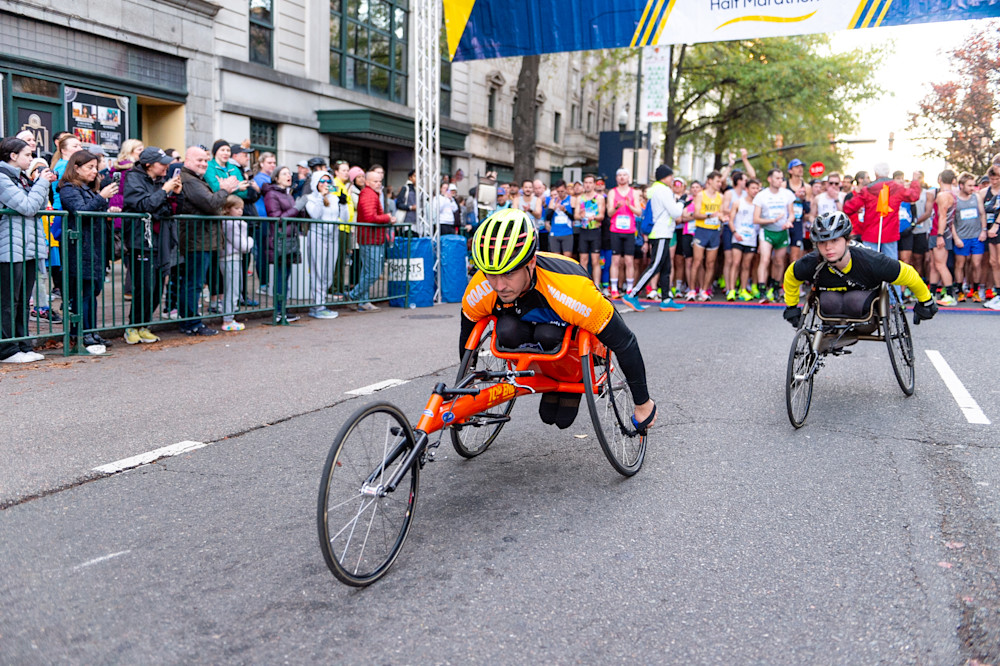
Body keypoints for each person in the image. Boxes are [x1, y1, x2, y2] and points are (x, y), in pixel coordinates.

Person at [459, 209, 657, 433]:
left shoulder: (572, 291)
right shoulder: (480, 287)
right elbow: (468, 334)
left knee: (548, 336)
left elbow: (625, 342)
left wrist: (643, 403)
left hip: (568, 347)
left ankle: (566, 382)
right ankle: (547, 377)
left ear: (531, 262)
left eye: (508, 274)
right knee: (506, 330)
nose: (499, 285)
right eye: (490, 274)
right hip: (531, 347)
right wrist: (468, 382)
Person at [782, 212, 937, 339]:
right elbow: (791, 275)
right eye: (822, 243)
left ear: (847, 240)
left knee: (854, 300)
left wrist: (926, 301)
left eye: (835, 240)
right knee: (829, 301)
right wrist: (792, 306)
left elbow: (908, 273)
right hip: (830, 310)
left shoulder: (871, 260)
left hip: (865, 313)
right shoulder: (811, 262)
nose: (828, 248)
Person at [1, 137, 58, 363]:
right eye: (27, 155)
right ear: (13, 156)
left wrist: (41, 182)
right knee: (8, 301)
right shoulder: (3, 178)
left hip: (28, 247)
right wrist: (42, 183)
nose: (32, 159)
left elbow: (40, 205)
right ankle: (7, 349)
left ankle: (23, 345)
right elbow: (26, 207)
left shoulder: (22, 177)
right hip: (9, 248)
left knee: (23, 300)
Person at [58, 150, 119, 350]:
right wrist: (102, 198)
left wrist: (108, 210)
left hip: (94, 245)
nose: (95, 171)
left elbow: (91, 209)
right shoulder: (68, 188)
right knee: (83, 291)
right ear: (76, 167)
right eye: (90, 167)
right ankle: (81, 333)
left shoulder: (88, 188)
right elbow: (81, 211)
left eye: (96, 167)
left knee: (92, 291)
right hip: (80, 246)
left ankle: (91, 331)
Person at [121, 146, 182, 344]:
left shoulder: (161, 181)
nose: (166, 167)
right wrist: (164, 192)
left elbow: (167, 210)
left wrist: (176, 195)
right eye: (162, 163)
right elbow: (144, 205)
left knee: (157, 286)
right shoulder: (133, 178)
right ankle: (132, 326)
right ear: (148, 164)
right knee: (144, 285)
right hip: (141, 239)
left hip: (161, 239)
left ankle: (144, 325)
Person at [177, 145, 239, 336]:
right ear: (188, 161)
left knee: (194, 281)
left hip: (202, 239)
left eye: (205, 160)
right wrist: (224, 190)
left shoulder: (196, 179)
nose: (204, 164)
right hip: (197, 239)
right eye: (199, 160)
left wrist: (220, 192)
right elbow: (212, 204)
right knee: (193, 282)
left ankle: (191, 321)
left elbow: (212, 203)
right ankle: (191, 323)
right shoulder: (190, 180)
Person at [623, 165, 684, 312]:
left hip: (660, 232)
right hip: (661, 232)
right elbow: (675, 212)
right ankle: (632, 294)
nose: (672, 179)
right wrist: (682, 202)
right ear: (664, 177)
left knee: (665, 267)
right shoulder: (663, 190)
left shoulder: (656, 189)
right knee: (655, 265)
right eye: (670, 176)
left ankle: (666, 299)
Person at [843, 163, 922, 262]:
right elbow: (914, 196)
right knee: (891, 265)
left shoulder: (867, 189)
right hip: (890, 233)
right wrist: (915, 180)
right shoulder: (898, 188)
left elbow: (848, 208)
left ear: (875, 173)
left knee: (869, 263)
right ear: (888, 172)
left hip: (870, 233)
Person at [347, 170, 392, 311]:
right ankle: (354, 295)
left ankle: (363, 300)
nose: (378, 184)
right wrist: (388, 218)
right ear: (367, 182)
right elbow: (370, 217)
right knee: (373, 272)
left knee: (367, 271)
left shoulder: (369, 194)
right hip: (370, 238)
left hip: (371, 237)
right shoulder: (368, 195)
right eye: (375, 181)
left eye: (380, 181)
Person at [263, 166, 303, 323]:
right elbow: (278, 218)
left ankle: (283, 309)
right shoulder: (271, 194)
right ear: (276, 177)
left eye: (289, 173)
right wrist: (296, 208)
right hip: (279, 239)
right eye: (284, 173)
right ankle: (278, 311)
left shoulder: (288, 194)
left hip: (290, 239)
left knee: (285, 276)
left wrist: (301, 207)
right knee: (280, 276)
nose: (289, 176)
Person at [753, 168, 795, 303]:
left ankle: (776, 287)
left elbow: (792, 214)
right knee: (765, 260)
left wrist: (789, 221)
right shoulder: (761, 196)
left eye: (781, 178)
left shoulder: (787, 194)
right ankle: (762, 290)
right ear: (769, 179)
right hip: (767, 231)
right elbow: (756, 219)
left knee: (779, 261)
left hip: (782, 231)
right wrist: (772, 220)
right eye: (777, 178)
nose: (780, 180)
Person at [304, 168, 341, 319]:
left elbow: (342, 218)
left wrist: (343, 203)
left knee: (328, 272)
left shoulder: (334, 198)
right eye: (322, 181)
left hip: (333, 237)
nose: (326, 184)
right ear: (316, 183)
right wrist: (321, 196)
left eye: (328, 181)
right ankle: (317, 305)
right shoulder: (309, 198)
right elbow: (315, 214)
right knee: (318, 271)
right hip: (317, 236)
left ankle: (321, 302)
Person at [951, 172, 988, 303]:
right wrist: (956, 238)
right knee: (960, 264)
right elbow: (951, 221)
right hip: (962, 237)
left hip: (976, 237)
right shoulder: (955, 199)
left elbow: (982, 214)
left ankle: (976, 291)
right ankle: (960, 291)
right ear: (961, 185)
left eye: (974, 185)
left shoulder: (976, 197)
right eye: (970, 185)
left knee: (976, 264)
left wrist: (983, 231)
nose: (973, 188)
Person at [219, 195, 253, 331]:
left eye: (241, 209)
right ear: (228, 209)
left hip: (231, 257)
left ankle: (229, 316)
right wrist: (250, 239)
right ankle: (228, 320)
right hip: (230, 257)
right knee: (232, 288)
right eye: (237, 208)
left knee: (233, 287)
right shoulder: (231, 224)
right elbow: (243, 246)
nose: (240, 211)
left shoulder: (231, 222)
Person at [607, 168, 642, 298]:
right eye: (619, 175)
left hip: (629, 230)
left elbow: (639, 212)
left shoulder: (634, 193)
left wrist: (629, 205)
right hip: (616, 229)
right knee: (615, 260)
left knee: (629, 260)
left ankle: (630, 289)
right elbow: (609, 213)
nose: (622, 177)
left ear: (628, 178)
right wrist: (617, 206)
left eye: (624, 175)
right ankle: (615, 289)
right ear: (616, 178)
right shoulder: (612, 192)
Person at [691, 170, 725, 301]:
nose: (719, 184)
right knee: (697, 261)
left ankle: (704, 290)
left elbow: (720, 214)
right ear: (709, 181)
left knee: (711, 263)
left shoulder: (720, 197)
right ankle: (693, 290)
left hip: (714, 231)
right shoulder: (701, 195)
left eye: (720, 181)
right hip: (702, 230)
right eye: (717, 181)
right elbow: (696, 214)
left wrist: (723, 217)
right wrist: (710, 215)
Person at [731, 178, 762, 302]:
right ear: (747, 189)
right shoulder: (738, 202)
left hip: (751, 238)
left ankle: (743, 289)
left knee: (746, 265)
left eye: (757, 188)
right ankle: (732, 290)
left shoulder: (759, 204)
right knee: (736, 263)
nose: (755, 190)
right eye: (753, 188)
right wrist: (735, 232)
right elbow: (731, 220)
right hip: (738, 237)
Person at [575, 173, 605, 288]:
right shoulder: (580, 198)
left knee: (595, 260)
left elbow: (601, 216)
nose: (587, 185)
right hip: (583, 231)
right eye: (586, 183)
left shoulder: (599, 198)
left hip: (595, 231)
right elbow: (576, 216)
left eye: (590, 183)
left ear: (594, 184)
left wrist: (594, 217)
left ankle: (596, 285)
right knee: (583, 259)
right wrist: (582, 216)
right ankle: (585, 285)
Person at [979, 165, 1000, 309]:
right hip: (989, 230)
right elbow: (982, 213)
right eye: (992, 178)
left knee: (999, 260)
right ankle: (998, 293)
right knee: (993, 262)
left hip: (997, 228)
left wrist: (996, 225)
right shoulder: (983, 192)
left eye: (997, 178)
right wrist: (984, 229)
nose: (994, 181)